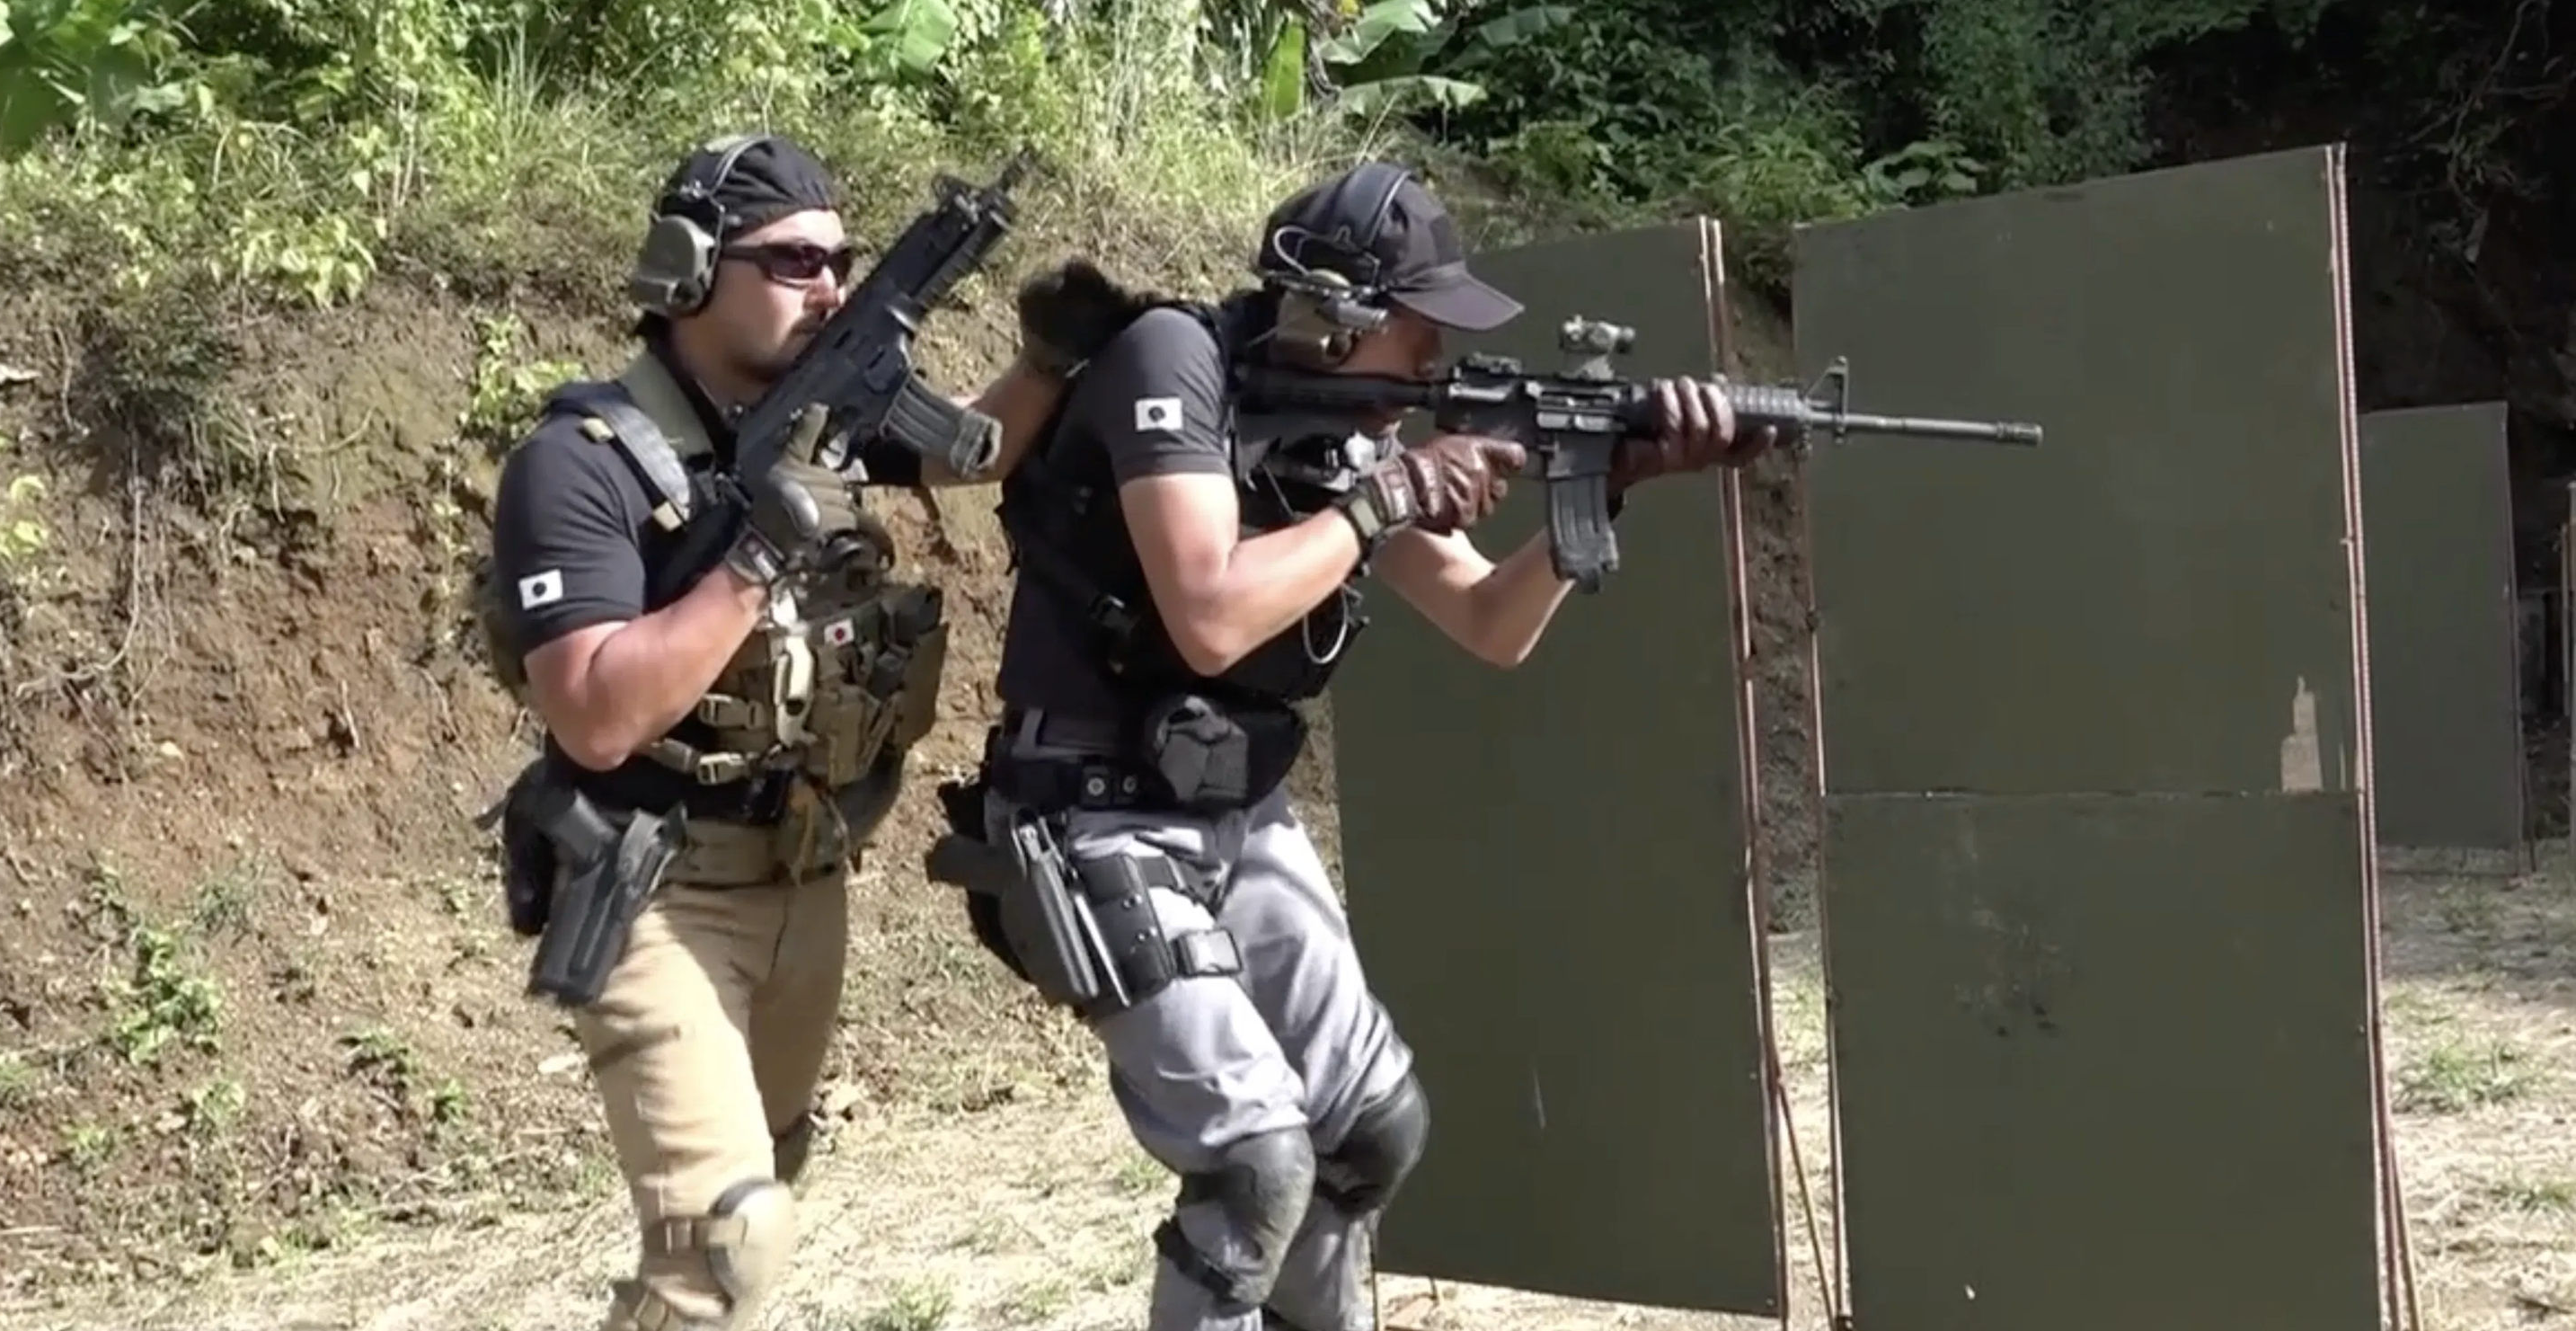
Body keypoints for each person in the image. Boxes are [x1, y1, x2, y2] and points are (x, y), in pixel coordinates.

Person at [933, 161, 1772, 1331]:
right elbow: (1210, 616)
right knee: (1254, 1163)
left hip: (1236, 810)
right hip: (1091, 808)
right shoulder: (1169, 360)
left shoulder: (1346, 437)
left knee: (1368, 1132)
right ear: (1332, 321)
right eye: (1418, 331)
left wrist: (1611, 485)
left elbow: (1489, 624)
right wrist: (1386, 498)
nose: (1433, 364)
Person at [473, 131, 1104, 1331]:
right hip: (652, 887)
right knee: (725, 1248)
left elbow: (971, 450)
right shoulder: (579, 464)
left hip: (802, 870)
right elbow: (596, 717)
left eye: (842, 262)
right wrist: (759, 554)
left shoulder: (813, 424)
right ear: (690, 270)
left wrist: (1047, 359)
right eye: (794, 262)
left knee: (770, 1176)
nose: (829, 286)